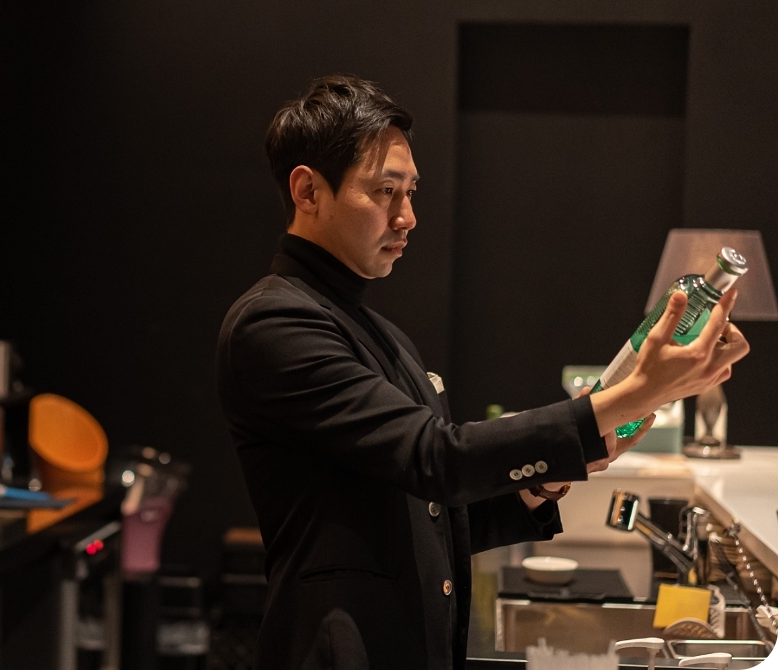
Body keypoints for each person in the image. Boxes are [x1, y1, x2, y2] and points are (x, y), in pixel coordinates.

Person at [216, 75, 749, 670]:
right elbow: (436, 458)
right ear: (308, 191)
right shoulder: (274, 322)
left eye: (410, 192)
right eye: (385, 191)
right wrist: (622, 400)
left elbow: (436, 518)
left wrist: (543, 484)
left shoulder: (382, 334)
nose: (407, 217)